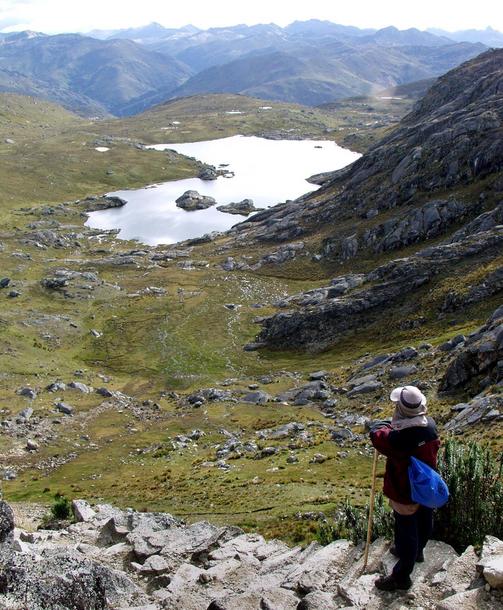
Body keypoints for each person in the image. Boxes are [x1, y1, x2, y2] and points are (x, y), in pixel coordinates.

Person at [369, 385, 440, 591]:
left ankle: (401, 576)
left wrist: (379, 425)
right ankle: (418, 551)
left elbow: (378, 437)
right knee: (425, 517)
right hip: (427, 485)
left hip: (405, 488)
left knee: (406, 526)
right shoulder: (430, 426)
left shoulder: (398, 439)